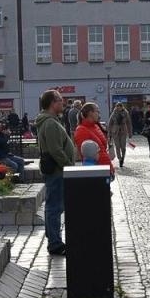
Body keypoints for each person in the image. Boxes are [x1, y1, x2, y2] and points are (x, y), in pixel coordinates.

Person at [37, 89, 78, 256]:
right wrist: (68, 166)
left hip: (57, 170)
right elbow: (56, 150)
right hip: (57, 171)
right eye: (60, 100)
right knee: (54, 207)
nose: (63, 103)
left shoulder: (52, 120)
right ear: (53, 103)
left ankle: (54, 239)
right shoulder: (50, 123)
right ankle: (55, 243)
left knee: (54, 206)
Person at [73, 102, 113, 175]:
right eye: (97, 111)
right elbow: (87, 155)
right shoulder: (81, 130)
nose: (99, 113)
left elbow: (103, 149)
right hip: (97, 172)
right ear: (90, 113)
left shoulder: (96, 126)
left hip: (105, 168)